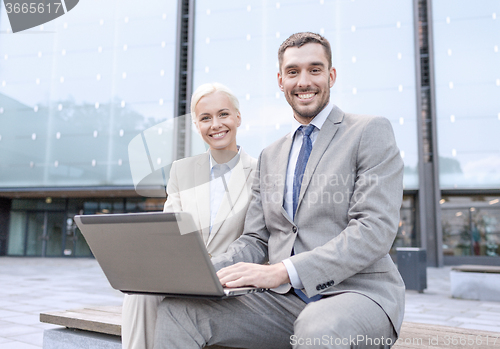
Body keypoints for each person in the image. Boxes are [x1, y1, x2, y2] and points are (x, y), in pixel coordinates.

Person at [153, 32, 405, 349]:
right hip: (284, 303)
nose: (304, 81)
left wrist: (282, 271)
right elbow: (257, 238)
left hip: (359, 293)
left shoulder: (369, 131)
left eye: (315, 69)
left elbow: (374, 229)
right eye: (293, 72)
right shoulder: (270, 156)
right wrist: (195, 272)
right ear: (280, 80)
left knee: (317, 329)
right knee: (179, 310)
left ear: (332, 75)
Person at [121, 82, 257, 349]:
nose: (215, 124)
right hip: (183, 276)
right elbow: (169, 233)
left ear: (238, 117)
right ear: (197, 125)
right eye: (205, 118)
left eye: (223, 114)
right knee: (139, 293)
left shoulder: (262, 171)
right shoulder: (180, 171)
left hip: (230, 282)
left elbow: (258, 240)